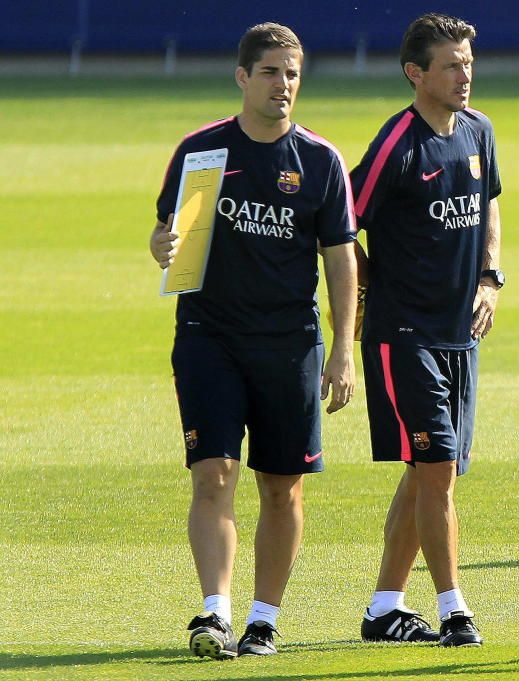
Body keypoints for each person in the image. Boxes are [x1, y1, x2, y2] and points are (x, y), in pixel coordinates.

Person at [149, 22, 358, 659]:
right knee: (213, 475)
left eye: (292, 73)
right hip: (208, 336)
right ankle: (214, 614)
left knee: (280, 485)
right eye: (270, 72)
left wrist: (343, 348)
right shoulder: (202, 151)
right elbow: (169, 236)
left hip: (290, 343)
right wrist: (160, 246)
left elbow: (342, 260)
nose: (283, 85)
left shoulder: (319, 160)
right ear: (243, 77)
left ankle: (264, 619)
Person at [348, 12, 503, 647]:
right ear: (417, 74)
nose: (465, 74)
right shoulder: (397, 144)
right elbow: (340, 223)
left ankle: (385, 608)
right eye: (452, 64)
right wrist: (362, 288)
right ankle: (454, 609)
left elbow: (490, 199)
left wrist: (490, 277)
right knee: (435, 466)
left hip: (458, 335)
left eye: (469, 61)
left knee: (428, 471)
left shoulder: (478, 130)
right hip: (404, 332)